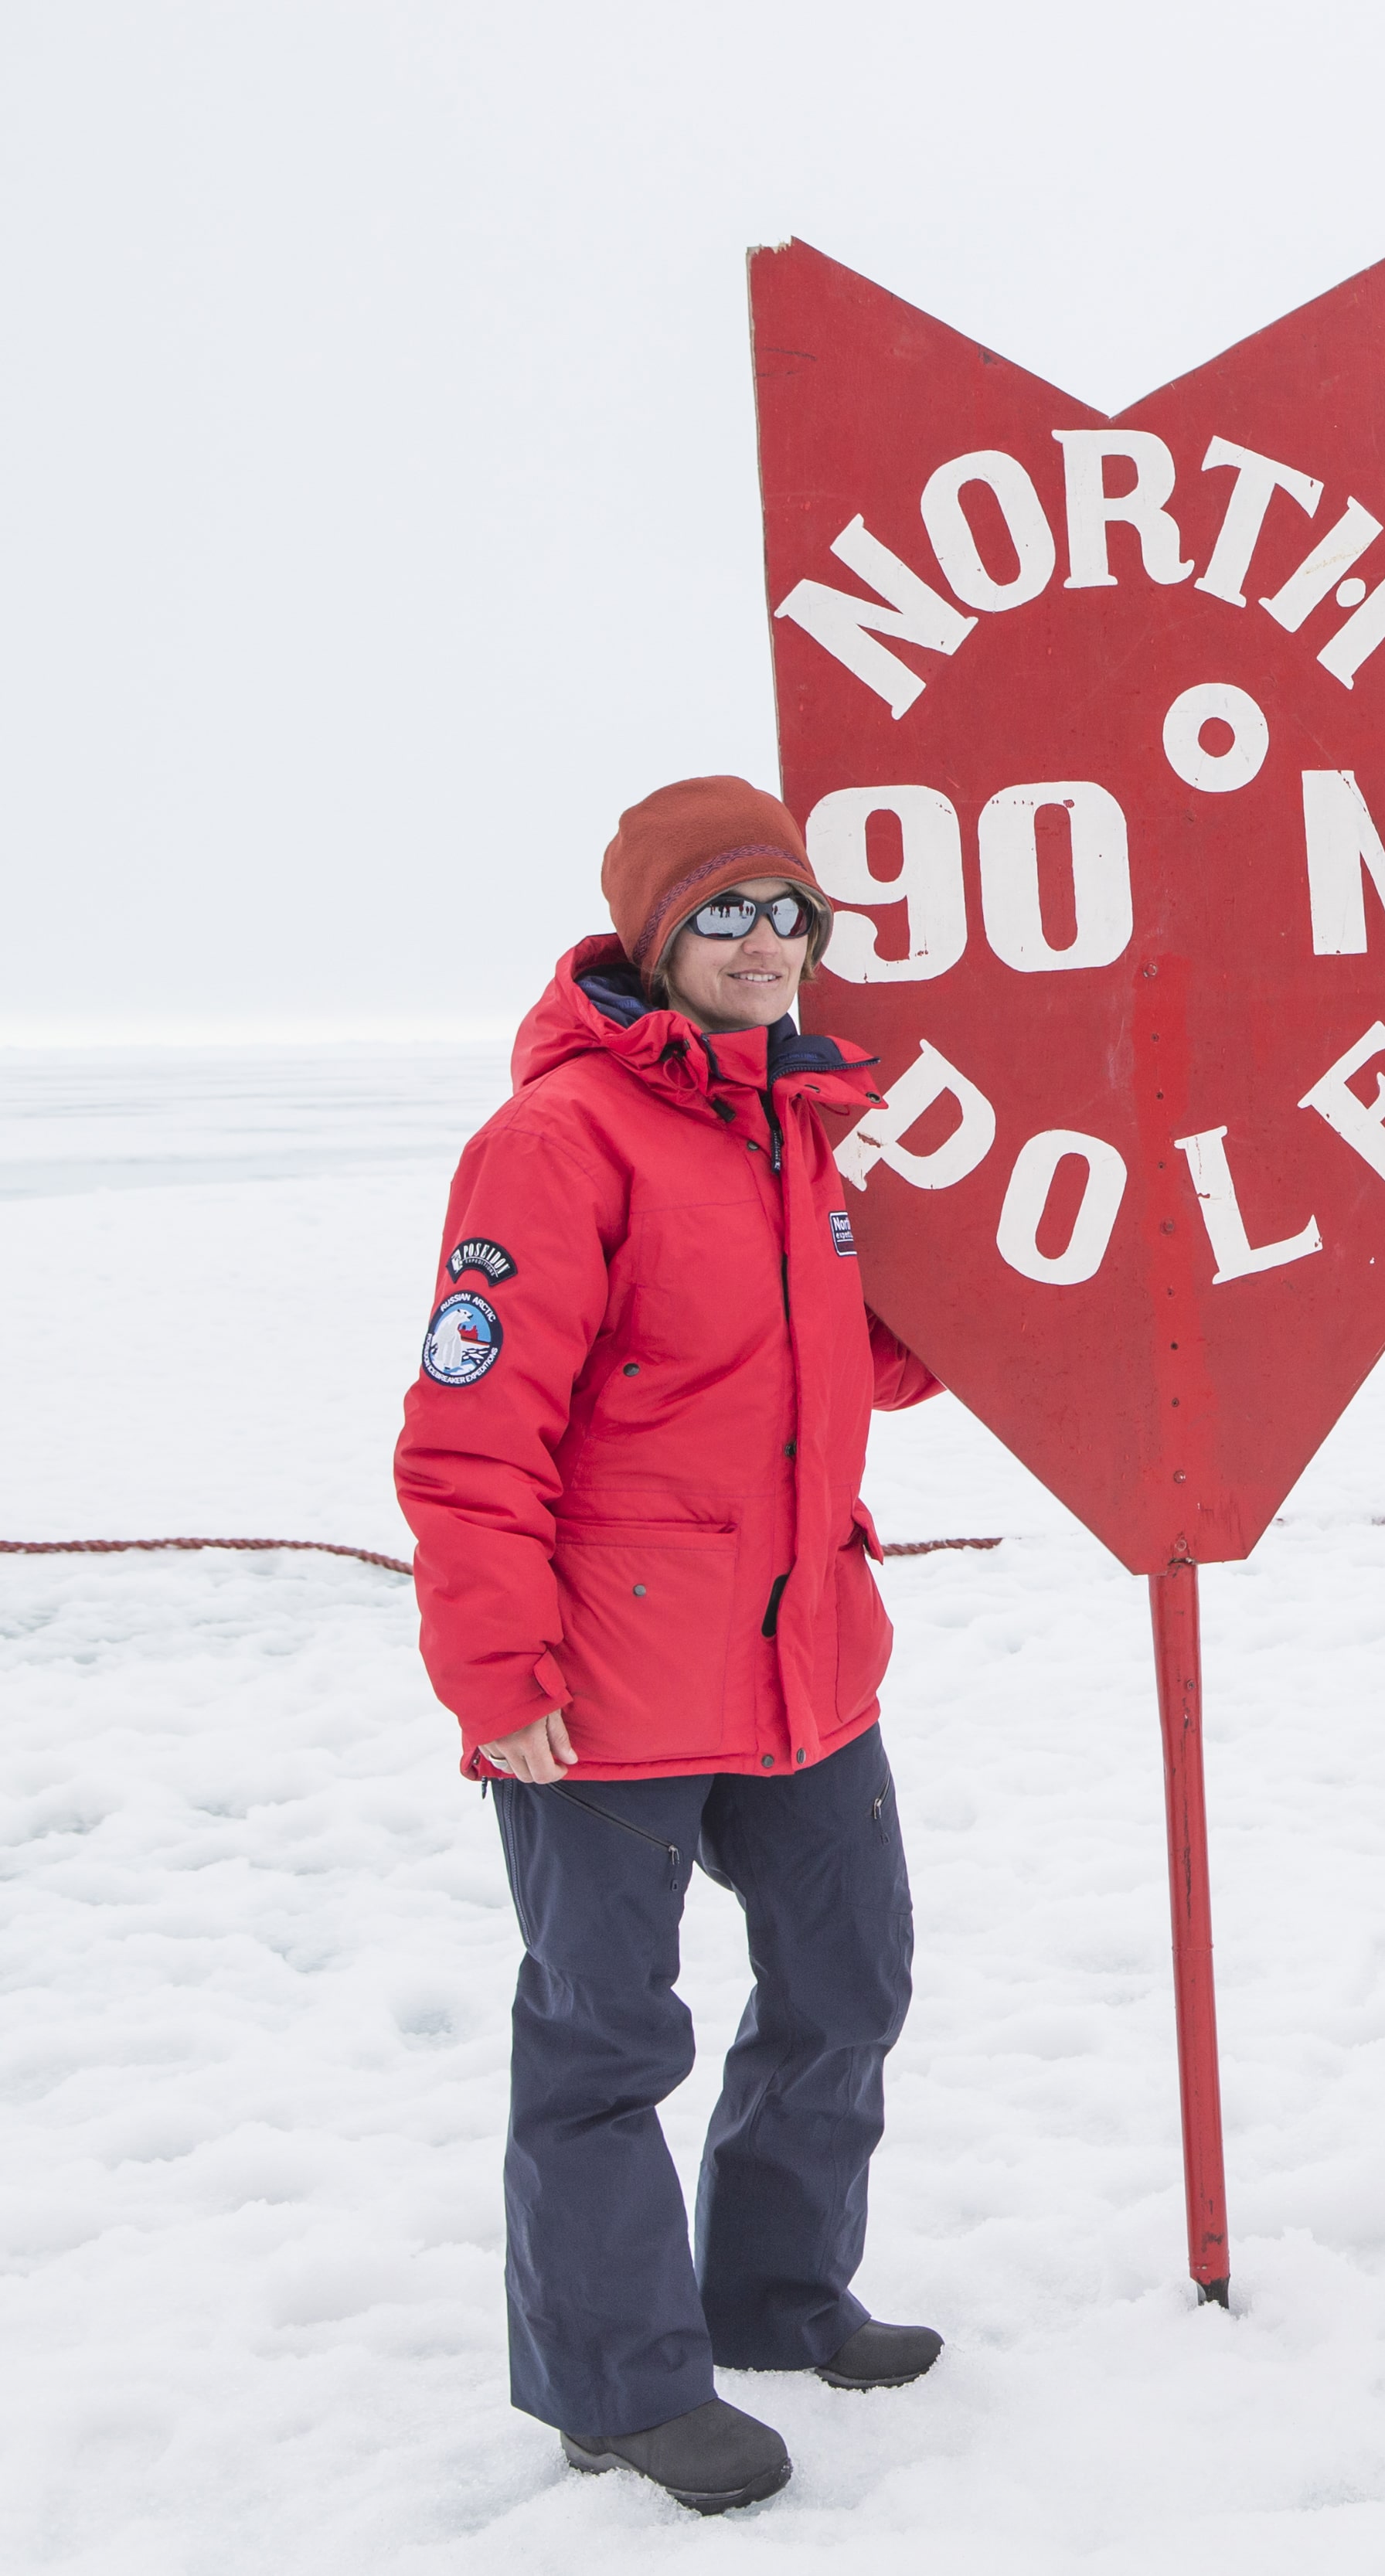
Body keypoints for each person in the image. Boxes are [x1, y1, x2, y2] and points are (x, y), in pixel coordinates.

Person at [396, 777, 947, 2513]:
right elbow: (471, 1428)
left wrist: (994, 1312)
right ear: (654, 936)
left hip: (802, 1659)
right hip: (608, 1685)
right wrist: (501, 1679)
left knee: (849, 1980)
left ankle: (774, 2291)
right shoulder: (560, 1140)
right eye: (726, 912)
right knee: (604, 2039)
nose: (766, 939)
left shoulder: (797, 1118)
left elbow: (831, 1362)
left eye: (788, 909)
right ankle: (616, 2380)